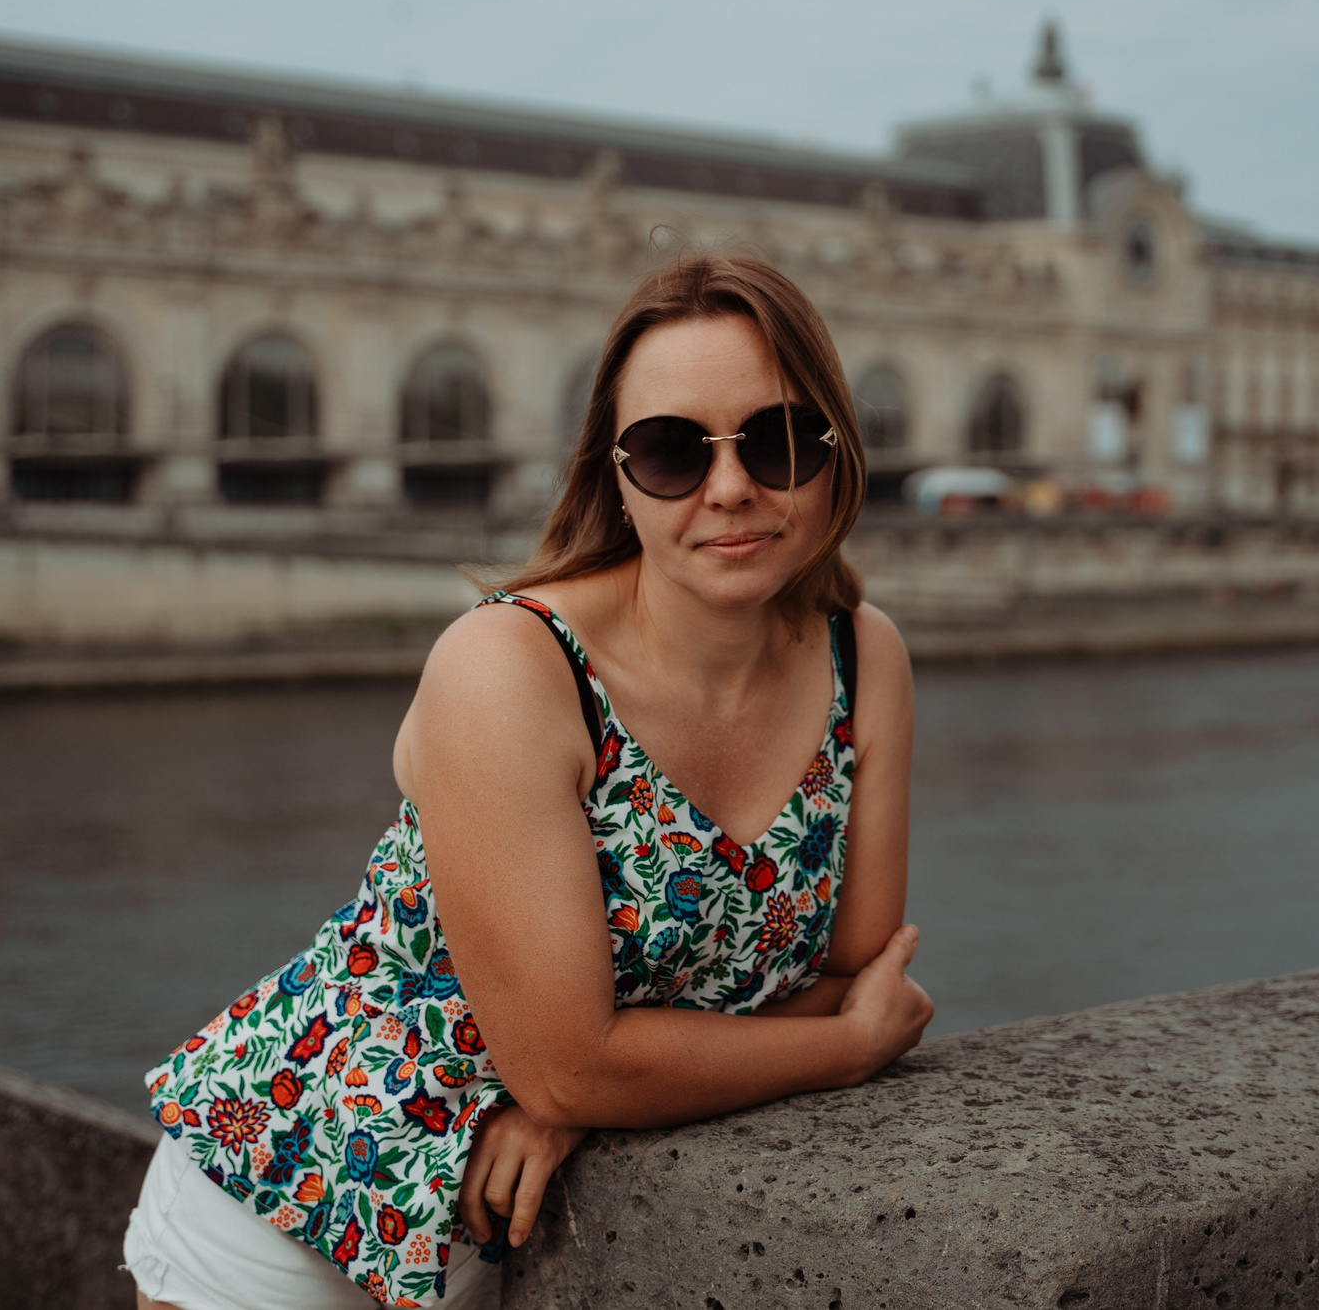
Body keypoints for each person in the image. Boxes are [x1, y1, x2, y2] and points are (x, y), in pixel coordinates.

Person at [125, 254, 932, 1310]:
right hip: (295, 1202)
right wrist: (834, 1053)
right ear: (617, 473)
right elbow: (583, 1059)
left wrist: (588, 1093)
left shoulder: (864, 657)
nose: (730, 487)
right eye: (672, 450)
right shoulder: (510, 664)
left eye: (775, 440)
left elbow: (850, 970)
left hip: (516, 1218)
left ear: (834, 451)